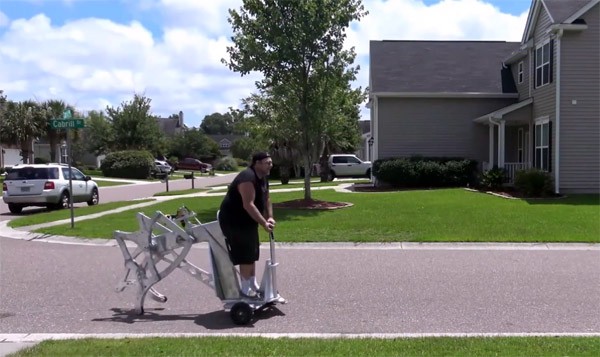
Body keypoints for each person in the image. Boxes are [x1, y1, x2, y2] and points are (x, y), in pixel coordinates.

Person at [218, 152, 275, 297]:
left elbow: (267, 198)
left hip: (248, 220)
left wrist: (270, 217)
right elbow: (248, 204)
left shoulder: (262, 178)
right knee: (245, 254)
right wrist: (263, 223)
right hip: (234, 220)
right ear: (257, 163)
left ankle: (252, 283)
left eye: (271, 162)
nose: (270, 165)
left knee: (252, 252)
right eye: (267, 162)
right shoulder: (247, 178)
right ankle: (245, 289)